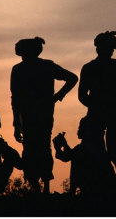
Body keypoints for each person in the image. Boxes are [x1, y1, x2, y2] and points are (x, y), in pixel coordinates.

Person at [10, 36, 78, 193]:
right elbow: (72, 78)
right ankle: (45, 187)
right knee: (44, 147)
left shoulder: (18, 69)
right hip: (44, 114)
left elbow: (15, 99)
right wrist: (56, 97)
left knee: (30, 149)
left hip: (28, 116)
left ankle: (36, 187)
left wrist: (16, 123)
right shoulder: (47, 66)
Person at [78, 31, 116, 191]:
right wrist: (97, 106)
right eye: (108, 48)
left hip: (109, 112)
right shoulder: (91, 67)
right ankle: (103, 184)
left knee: (114, 147)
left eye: (111, 49)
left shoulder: (112, 65)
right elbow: (82, 95)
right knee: (95, 148)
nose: (110, 52)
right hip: (101, 112)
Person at [52, 116, 116, 196]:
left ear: (89, 131)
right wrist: (62, 146)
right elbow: (70, 155)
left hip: (95, 189)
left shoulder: (85, 149)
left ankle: (72, 195)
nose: (79, 130)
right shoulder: (97, 148)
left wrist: (60, 147)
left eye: (81, 127)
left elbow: (68, 156)